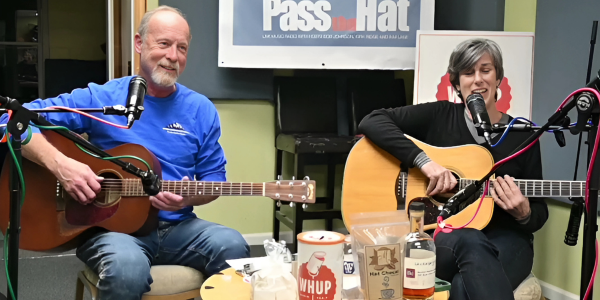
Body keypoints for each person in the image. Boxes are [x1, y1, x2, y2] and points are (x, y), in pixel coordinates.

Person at [1, 6, 250, 300]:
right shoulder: (101, 98)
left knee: (233, 246)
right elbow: (12, 120)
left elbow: (214, 181)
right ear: (139, 43)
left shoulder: (201, 110)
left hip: (179, 228)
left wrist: (189, 196)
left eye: (182, 48)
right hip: (112, 230)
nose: (174, 56)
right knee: (126, 266)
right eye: (164, 44)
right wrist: (62, 166)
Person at [358, 38, 547, 300]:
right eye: (468, 73)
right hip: (446, 235)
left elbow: (539, 214)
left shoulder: (522, 134)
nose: (478, 79)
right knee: (469, 240)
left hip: (508, 240)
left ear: (498, 78)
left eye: (486, 70)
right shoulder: (440, 115)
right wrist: (424, 162)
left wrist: (524, 212)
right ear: (457, 83)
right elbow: (373, 120)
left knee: (462, 285)